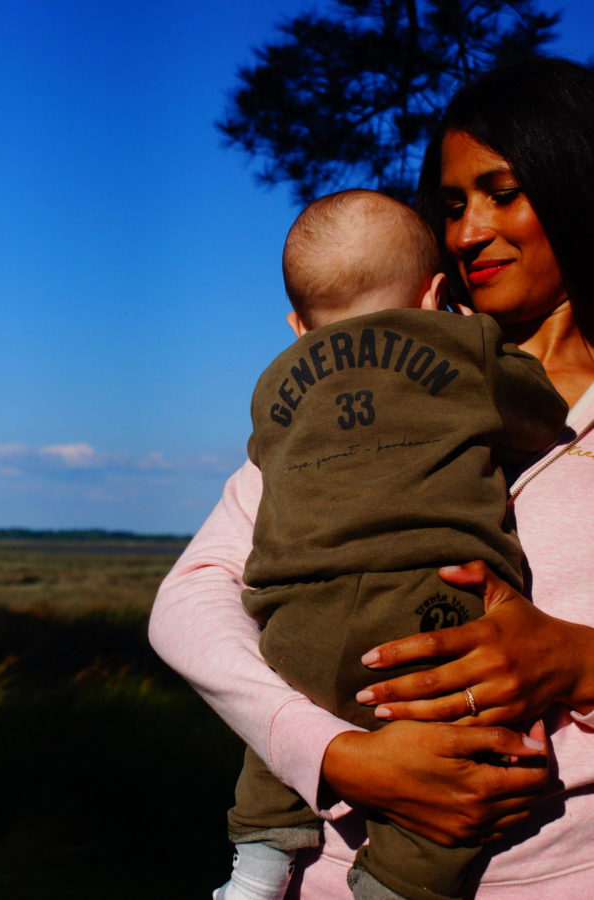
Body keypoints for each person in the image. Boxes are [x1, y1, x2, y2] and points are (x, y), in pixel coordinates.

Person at [149, 56, 594, 899]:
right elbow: (192, 598)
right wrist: (333, 752)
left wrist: (578, 661)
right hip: (327, 873)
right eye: (453, 205)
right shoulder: (373, 377)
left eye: (504, 193)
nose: (468, 233)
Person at [213, 188, 566, 900]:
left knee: (275, 736)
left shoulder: (272, 383)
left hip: (297, 607)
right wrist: (482, 344)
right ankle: (400, 883)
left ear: (294, 323)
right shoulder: (459, 345)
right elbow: (539, 415)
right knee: (464, 755)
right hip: (431, 598)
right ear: (436, 292)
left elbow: (268, 463)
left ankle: (254, 869)